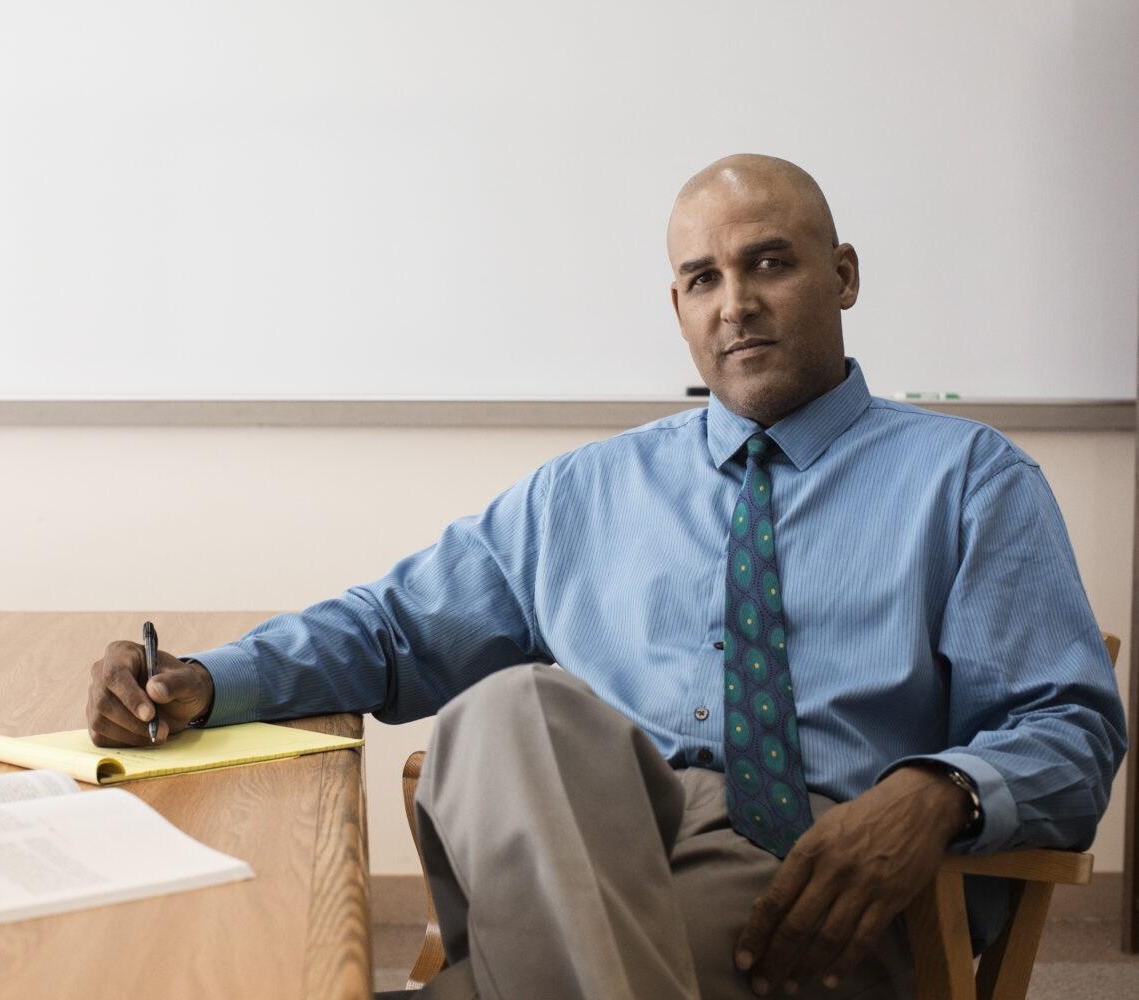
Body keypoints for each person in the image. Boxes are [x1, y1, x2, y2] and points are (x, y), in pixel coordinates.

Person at [85, 154, 1127, 999]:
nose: (738, 305)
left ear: (845, 275)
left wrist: (936, 790)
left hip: (818, 882)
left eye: (771, 264)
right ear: (676, 304)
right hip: (593, 834)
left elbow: (1071, 730)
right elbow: (395, 627)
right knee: (516, 710)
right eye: (704, 279)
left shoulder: (969, 479)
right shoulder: (589, 489)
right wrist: (209, 678)